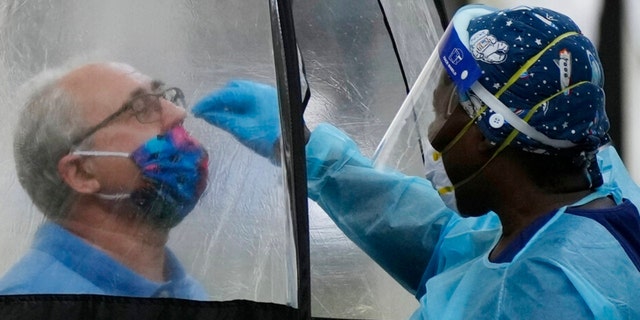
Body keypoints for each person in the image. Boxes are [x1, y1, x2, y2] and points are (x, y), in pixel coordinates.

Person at [192, 4, 640, 319]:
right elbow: (447, 243)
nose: (431, 133)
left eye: (444, 109)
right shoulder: (576, 205)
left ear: (489, 134)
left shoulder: (548, 293)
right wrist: (309, 151)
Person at [0, 62, 209, 299]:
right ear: (81, 173)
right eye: (141, 108)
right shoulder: (33, 305)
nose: (178, 113)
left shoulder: (185, 291)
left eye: (165, 97)